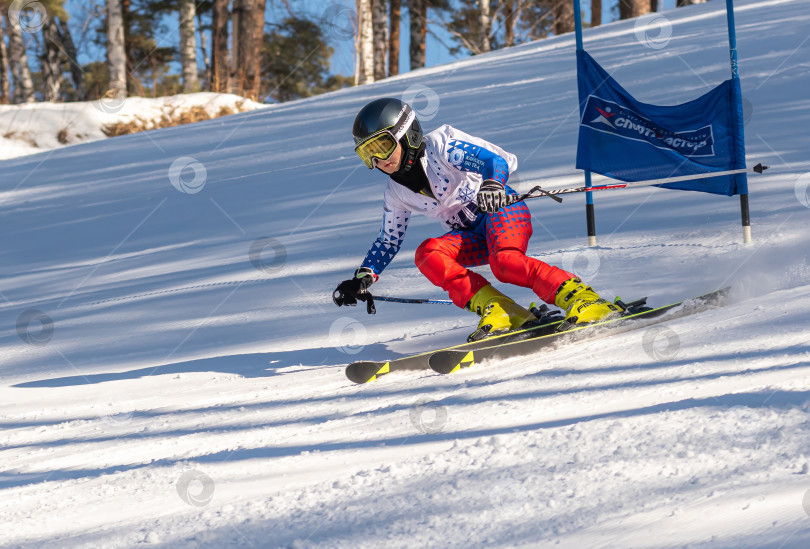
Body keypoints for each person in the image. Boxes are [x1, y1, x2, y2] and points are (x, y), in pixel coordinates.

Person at [333, 97, 621, 341]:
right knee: (427, 254)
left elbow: (493, 161)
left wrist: (493, 184)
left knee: (506, 264)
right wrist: (362, 277)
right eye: (367, 153)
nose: (378, 159)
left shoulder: (441, 148)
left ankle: (583, 299)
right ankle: (503, 311)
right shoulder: (395, 192)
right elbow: (388, 240)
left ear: (406, 133)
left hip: (501, 210)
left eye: (382, 145)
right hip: (471, 233)